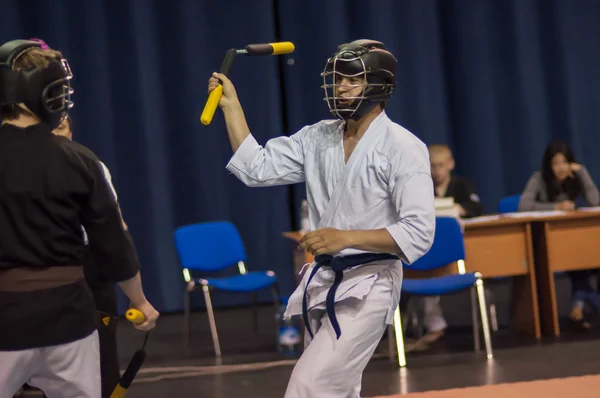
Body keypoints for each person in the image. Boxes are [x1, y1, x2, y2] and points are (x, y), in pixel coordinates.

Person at [208, 39, 435, 397]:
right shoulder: (319, 137)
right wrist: (232, 107)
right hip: (325, 279)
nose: (341, 87)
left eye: (351, 79)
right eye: (337, 79)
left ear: (378, 84)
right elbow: (257, 168)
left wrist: (345, 237)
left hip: (372, 282)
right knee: (338, 390)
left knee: (309, 386)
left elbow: (419, 232)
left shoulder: (402, 147)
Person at [0, 39, 159, 398]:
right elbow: (113, 243)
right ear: (46, 94)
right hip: (69, 316)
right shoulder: (80, 160)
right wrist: (139, 301)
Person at [52, 115, 124, 398]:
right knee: (57, 355)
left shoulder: (91, 166)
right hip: (50, 269)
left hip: (92, 265)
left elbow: (113, 226)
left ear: (70, 131)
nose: (57, 135)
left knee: (103, 349)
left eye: (61, 128)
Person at [519, 141, 600, 330]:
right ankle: (582, 305)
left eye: (564, 162)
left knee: (585, 259)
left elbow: (595, 201)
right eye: (555, 163)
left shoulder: (575, 177)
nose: (560, 168)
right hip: (547, 241)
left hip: (575, 238)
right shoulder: (539, 178)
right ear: (549, 165)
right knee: (578, 262)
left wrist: (582, 172)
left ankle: (578, 307)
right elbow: (523, 206)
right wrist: (554, 207)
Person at [413, 144, 484, 345]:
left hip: (454, 244)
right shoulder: (421, 186)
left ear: (450, 164)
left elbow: (476, 207)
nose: (436, 171)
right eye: (432, 166)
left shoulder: (461, 185)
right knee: (424, 276)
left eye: (441, 165)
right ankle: (434, 325)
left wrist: (459, 209)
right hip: (428, 249)